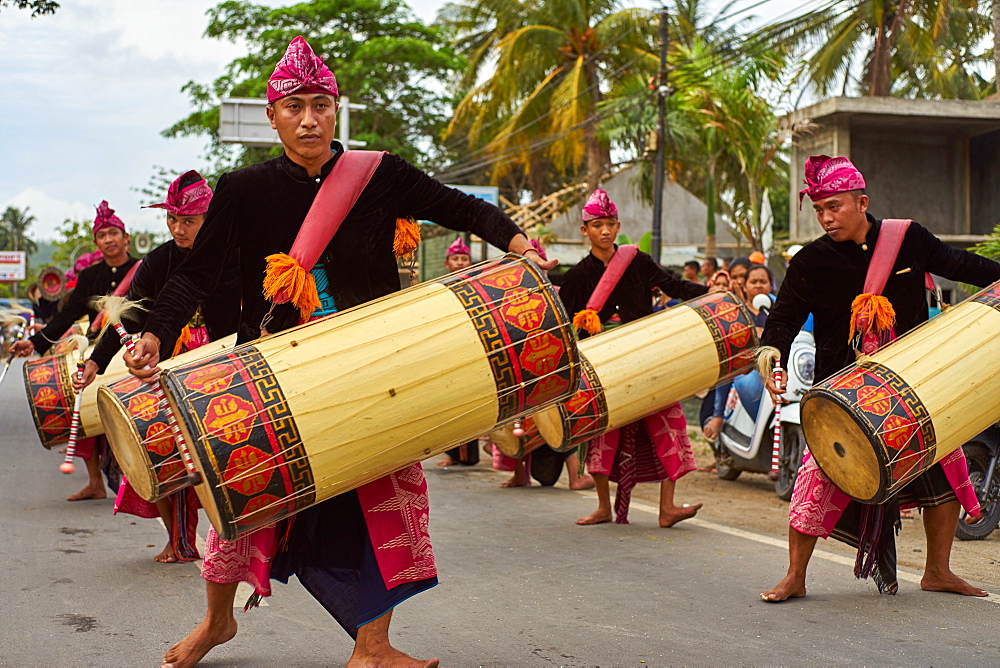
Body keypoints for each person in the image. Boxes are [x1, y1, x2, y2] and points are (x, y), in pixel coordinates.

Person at [126, 36, 550, 668]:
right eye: (293, 106)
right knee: (242, 497)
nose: (308, 119)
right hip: (270, 368)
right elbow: (194, 274)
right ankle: (216, 623)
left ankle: (372, 649)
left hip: (372, 367)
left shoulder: (379, 176)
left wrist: (516, 241)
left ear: (336, 110)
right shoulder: (242, 190)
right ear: (271, 117)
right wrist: (156, 330)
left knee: (388, 499)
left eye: (320, 105)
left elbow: (458, 206)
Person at [759, 155, 997, 602]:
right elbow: (784, 318)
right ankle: (795, 575)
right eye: (819, 210)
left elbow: (961, 265)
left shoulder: (908, 239)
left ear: (861, 201)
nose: (826, 218)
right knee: (818, 475)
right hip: (844, 391)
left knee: (946, 466)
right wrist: (773, 354)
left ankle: (937, 571)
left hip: (914, 383)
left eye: (834, 206)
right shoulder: (810, 260)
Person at [81, 171, 239, 564]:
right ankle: (178, 540)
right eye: (173, 220)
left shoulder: (237, 254)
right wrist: (96, 361)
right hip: (168, 369)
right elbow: (130, 319)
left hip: (226, 366)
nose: (178, 228)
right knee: (164, 451)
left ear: (210, 219)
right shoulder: (158, 262)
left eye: (188, 220)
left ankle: (238, 545)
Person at [560, 188, 706, 527]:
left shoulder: (637, 261)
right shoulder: (578, 274)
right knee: (601, 429)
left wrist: (711, 292)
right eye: (598, 225)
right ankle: (602, 507)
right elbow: (565, 322)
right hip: (602, 364)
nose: (605, 231)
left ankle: (667, 508)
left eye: (610, 224)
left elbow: (675, 286)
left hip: (646, 357)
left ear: (618, 225)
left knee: (669, 420)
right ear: (585, 231)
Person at [13, 201, 139, 502]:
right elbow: (68, 314)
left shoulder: (144, 268)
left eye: (113, 233)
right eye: (102, 235)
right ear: (96, 242)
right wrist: (37, 342)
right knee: (83, 414)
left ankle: (137, 488)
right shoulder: (90, 277)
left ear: (126, 238)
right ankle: (95, 482)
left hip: (132, 353)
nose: (108, 239)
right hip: (96, 353)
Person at [436, 236, 481, 468]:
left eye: (464, 259)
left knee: (471, 403)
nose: (461, 262)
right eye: (456, 258)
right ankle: (452, 454)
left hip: (472, 350)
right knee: (449, 404)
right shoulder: (438, 287)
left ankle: (469, 455)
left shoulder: (476, 284)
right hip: (448, 351)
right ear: (447, 263)